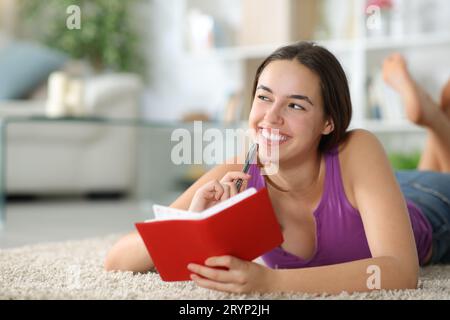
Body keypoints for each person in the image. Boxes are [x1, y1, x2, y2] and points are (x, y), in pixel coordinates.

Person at [104, 42, 450, 295]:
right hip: (382, 192)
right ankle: (436, 124)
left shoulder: (357, 148)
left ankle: (435, 120)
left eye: (296, 105)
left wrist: (272, 282)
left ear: (328, 122)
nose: (271, 118)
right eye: (264, 97)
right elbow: (118, 258)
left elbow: (402, 272)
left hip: (433, 208)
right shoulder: (244, 165)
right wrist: (193, 226)